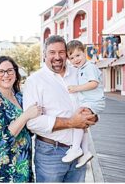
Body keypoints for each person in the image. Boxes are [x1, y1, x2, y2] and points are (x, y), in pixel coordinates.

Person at [24, 36, 99, 183]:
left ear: (67, 53)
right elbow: (31, 123)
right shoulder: (34, 81)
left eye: (61, 52)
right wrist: (71, 122)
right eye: (52, 52)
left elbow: (93, 97)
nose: (57, 57)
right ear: (44, 54)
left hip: (80, 153)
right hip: (50, 154)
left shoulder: (78, 72)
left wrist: (93, 116)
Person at [0, 56, 42, 183]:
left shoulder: (20, 97)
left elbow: (29, 129)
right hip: (3, 169)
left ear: (16, 73)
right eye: (1, 71)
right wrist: (26, 115)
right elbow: (1, 141)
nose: (6, 75)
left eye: (10, 70)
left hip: (23, 165)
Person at [62, 40, 106, 168]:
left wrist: (76, 88)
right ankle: (85, 152)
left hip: (94, 101)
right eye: (71, 57)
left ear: (84, 52)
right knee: (83, 125)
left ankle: (76, 148)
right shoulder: (80, 69)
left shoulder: (89, 67)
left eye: (78, 55)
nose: (75, 59)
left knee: (77, 119)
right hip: (90, 101)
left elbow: (94, 83)